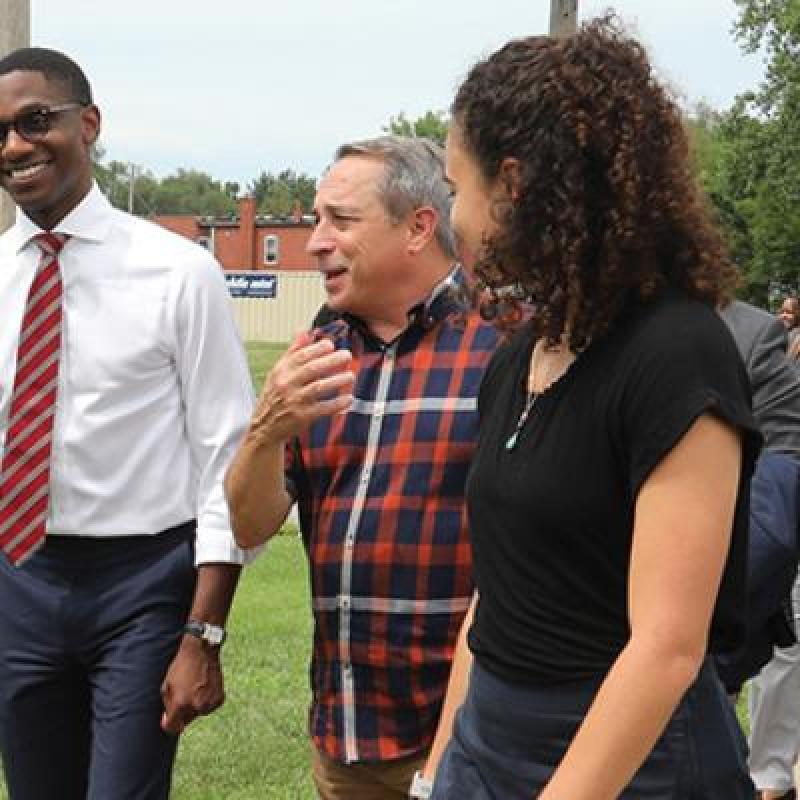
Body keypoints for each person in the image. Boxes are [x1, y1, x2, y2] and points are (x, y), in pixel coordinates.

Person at [426, 16, 763, 799]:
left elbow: (666, 648)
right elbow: (498, 595)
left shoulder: (676, 355)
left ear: (511, 186)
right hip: (490, 741)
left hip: (629, 758)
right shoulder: (519, 357)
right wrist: (443, 763)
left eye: (456, 187)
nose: (456, 216)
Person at [0, 48, 256, 799]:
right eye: (0, 131)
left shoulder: (179, 273)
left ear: (89, 124)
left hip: (141, 585)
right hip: (19, 580)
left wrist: (202, 633)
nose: (14, 145)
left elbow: (226, 463)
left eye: (33, 121)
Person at [224, 136, 498, 799]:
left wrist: (448, 760)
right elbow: (251, 524)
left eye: (339, 221)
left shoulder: (500, 347)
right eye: (316, 219)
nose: (316, 242)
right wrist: (266, 429)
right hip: (346, 743)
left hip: (474, 739)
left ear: (418, 227)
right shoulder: (316, 355)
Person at [720, 301, 800, 800]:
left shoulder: (753, 335)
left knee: (789, 649)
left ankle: (768, 775)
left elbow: (782, 465)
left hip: (745, 552)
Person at [777, 296, 800, 363]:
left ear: (797, 314)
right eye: (782, 312)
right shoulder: (778, 333)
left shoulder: (797, 336)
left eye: (789, 312)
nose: (783, 315)